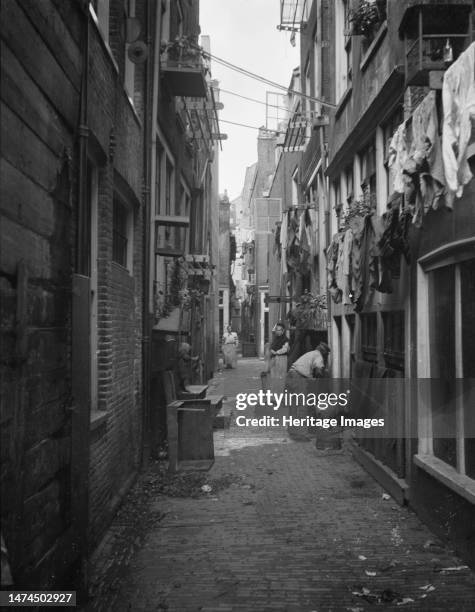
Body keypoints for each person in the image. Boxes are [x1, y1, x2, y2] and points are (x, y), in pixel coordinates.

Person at [285, 342, 331, 439]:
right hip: (298, 377)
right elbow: (319, 370)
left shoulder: (311, 353)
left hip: (290, 374)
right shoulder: (319, 356)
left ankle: (292, 431)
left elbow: (307, 371)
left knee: (293, 405)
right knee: (303, 406)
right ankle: (302, 433)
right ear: (324, 352)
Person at [267, 322, 290, 394]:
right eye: (277, 329)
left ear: (283, 331)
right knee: (273, 377)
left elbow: (285, 349)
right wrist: (271, 350)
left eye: (279, 330)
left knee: (281, 377)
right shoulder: (276, 338)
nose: (278, 331)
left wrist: (276, 352)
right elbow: (271, 346)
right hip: (274, 359)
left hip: (282, 359)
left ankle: (279, 396)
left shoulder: (286, 340)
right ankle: (274, 396)